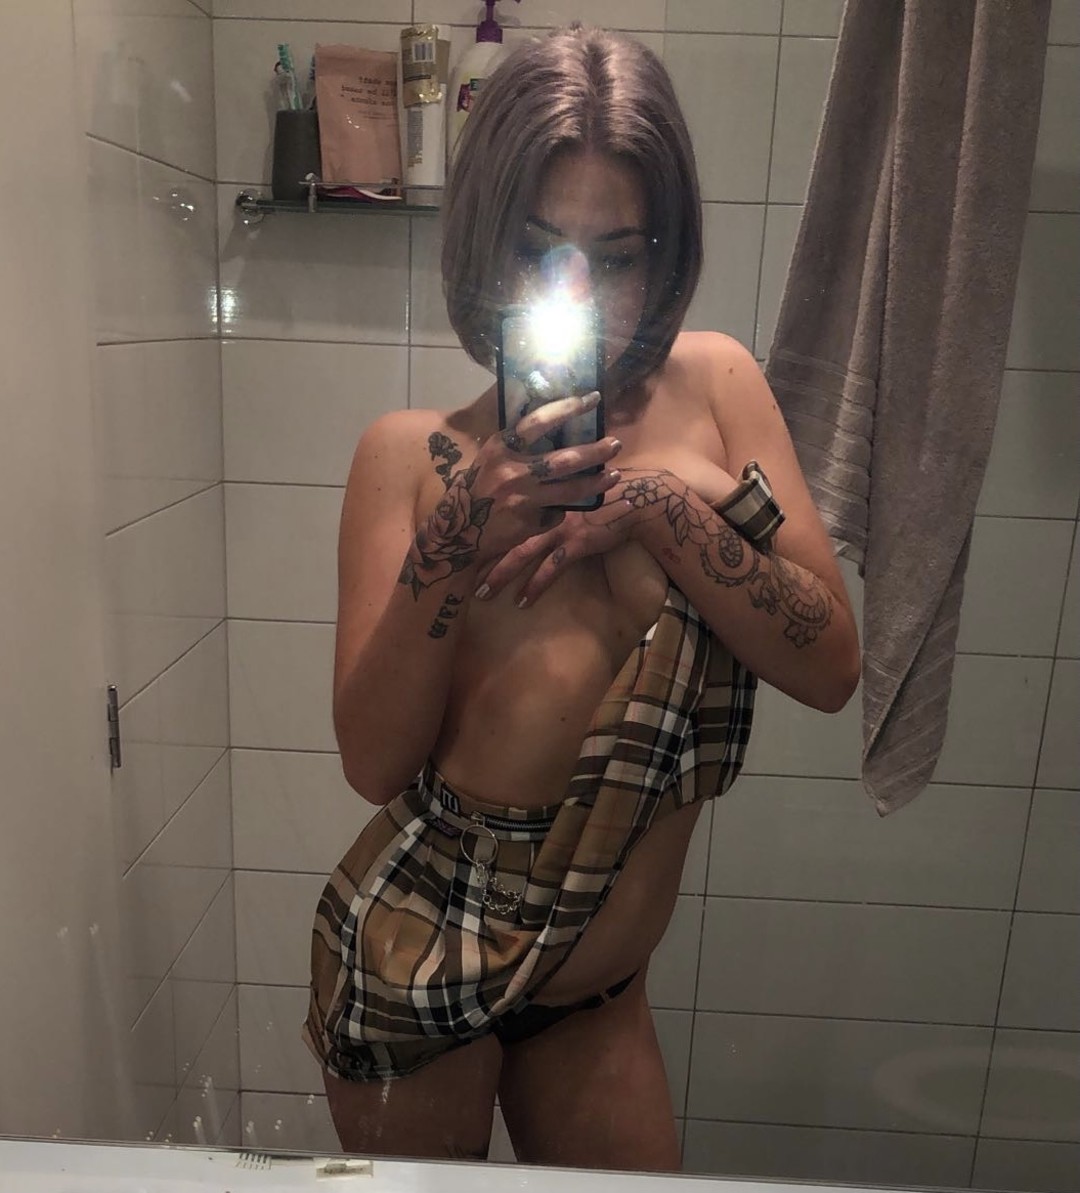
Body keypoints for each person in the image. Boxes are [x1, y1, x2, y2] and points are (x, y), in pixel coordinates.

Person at [302, 24, 860, 1173]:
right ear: (485, 246)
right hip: (417, 960)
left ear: (666, 251)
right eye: (539, 251)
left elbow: (831, 664)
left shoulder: (719, 385)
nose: (583, 296)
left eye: (617, 256)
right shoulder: (411, 456)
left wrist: (661, 502)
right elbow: (371, 758)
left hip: (599, 1001)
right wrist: (460, 535)